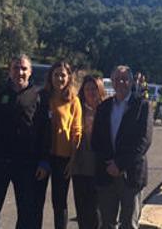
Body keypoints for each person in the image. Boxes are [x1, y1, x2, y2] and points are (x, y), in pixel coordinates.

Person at [0, 54, 50, 229]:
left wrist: (44, 161)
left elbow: (44, 132)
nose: (20, 72)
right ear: (10, 70)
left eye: (24, 68)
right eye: (16, 67)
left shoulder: (38, 97)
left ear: (30, 72)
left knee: (26, 212)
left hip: (26, 164)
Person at [91, 65, 153, 229]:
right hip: (106, 173)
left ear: (132, 82)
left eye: (125, 79)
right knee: (107, 224)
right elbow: (96, 140)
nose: (121, 82)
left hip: (131, 175)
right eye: (117, 79)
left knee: (129, 224)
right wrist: (109, 163)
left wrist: (120, 164)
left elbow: (143, 141)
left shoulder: (142, 106)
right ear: (112, 81)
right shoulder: (104, 107)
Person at [38, 62, 82, 229]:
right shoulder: (42, 97)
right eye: (56, 75)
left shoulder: (73, 100)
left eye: (63, 75)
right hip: (42, 156)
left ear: (69, 77)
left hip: (63, 158)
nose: (59, 78)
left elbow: (77, 130)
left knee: (59, 202)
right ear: (51, 76)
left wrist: (73, 159)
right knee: (36, 200)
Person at [72, 75, 107, 229]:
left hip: (99, 168)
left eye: (94, 89)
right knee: (82, 211)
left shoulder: (107, 110)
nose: (91, 92)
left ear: (100, 90)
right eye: (87, 89)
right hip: (79, 167)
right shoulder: (77, 109)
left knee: (97, 212)